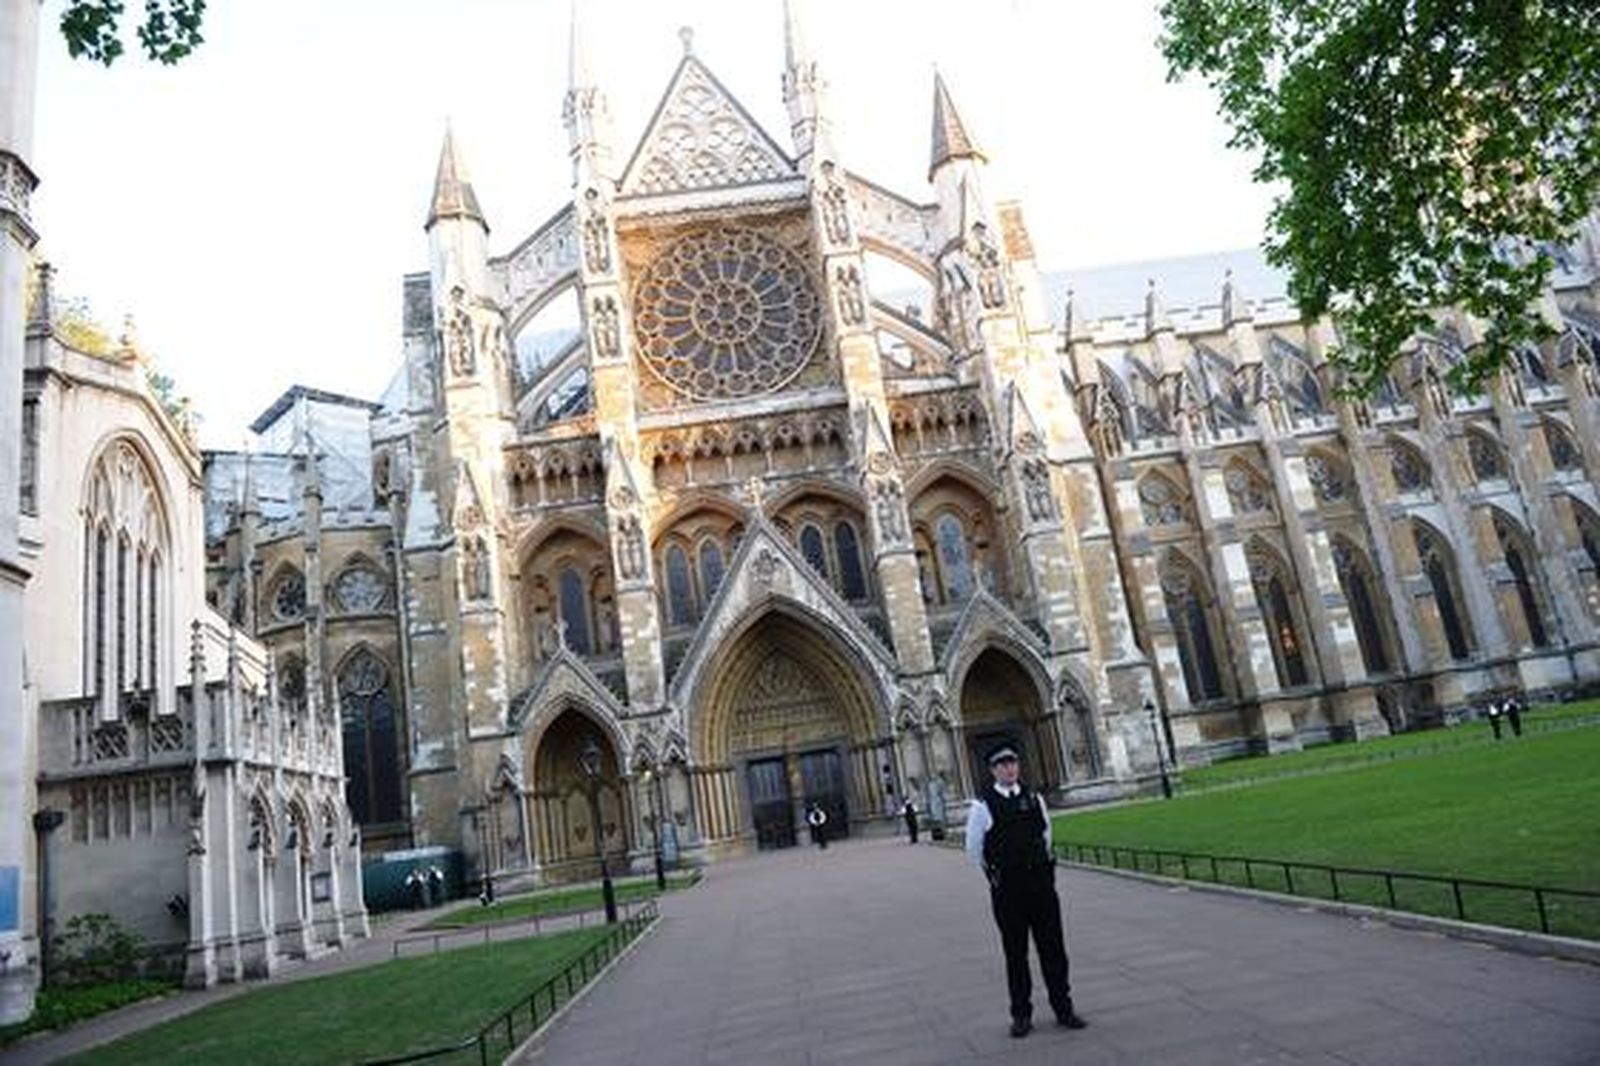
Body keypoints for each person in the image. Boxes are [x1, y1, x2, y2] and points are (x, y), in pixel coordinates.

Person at [965, 744, 1086, 1039]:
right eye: (1003, 764)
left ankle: (1064, 1008)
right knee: (1015, 953)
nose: (1010, 769)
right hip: (1009, 889)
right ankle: (1021, 1015)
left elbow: (1046, 835)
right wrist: (997, 873)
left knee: (1053, 948)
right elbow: (974, 849)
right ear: (993, 770)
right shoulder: (982, 806)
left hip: (1040, 885)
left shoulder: (1034, 798)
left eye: (1013, 763)